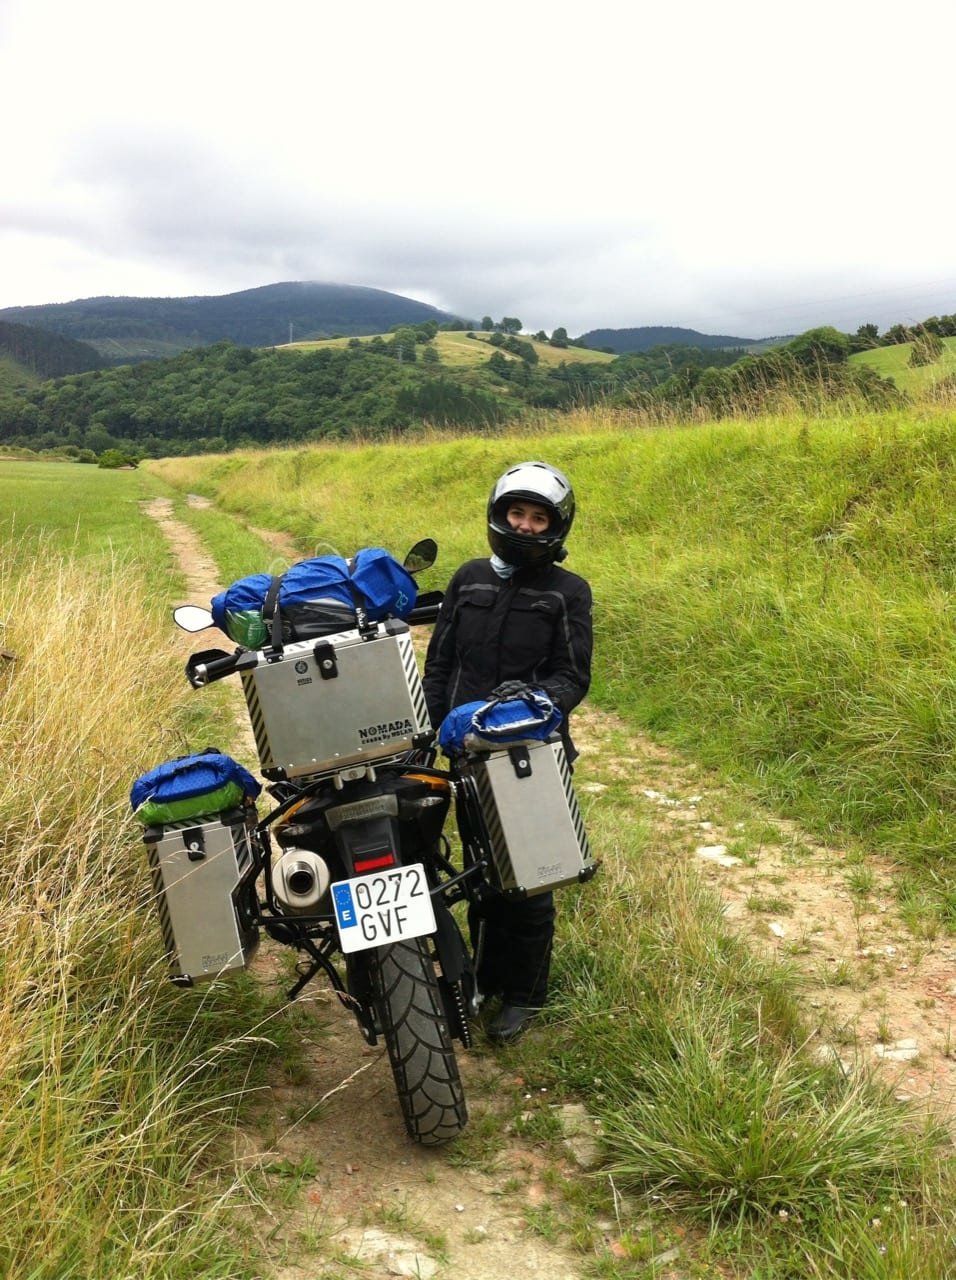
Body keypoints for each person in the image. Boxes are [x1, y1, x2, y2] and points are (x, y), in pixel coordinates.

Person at [422, 461, 593, 1044]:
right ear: (498, 516)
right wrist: (431, 729)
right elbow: (441, 663)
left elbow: (574, 677)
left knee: (530, 878)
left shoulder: (567, 592)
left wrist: (536, 701)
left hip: (531, 751)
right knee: (479, 870)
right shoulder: (469, 579)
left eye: (537, 517)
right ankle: (483, 979)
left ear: (555, 525)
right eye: (516, 514)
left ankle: (524, 994)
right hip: (466, 751)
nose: (524, 526)